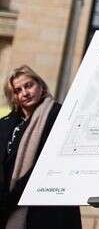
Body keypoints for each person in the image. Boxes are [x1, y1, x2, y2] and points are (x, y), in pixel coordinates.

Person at [0, 66, 81, 229]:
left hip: (46, 207)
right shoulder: (5, 124)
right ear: (13, 96)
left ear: (41, 86)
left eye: (29, 85)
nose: (25, 93)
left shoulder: (59, 115)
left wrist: (9, 200)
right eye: (18, 90)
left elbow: (46, 162)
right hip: (7, 208)